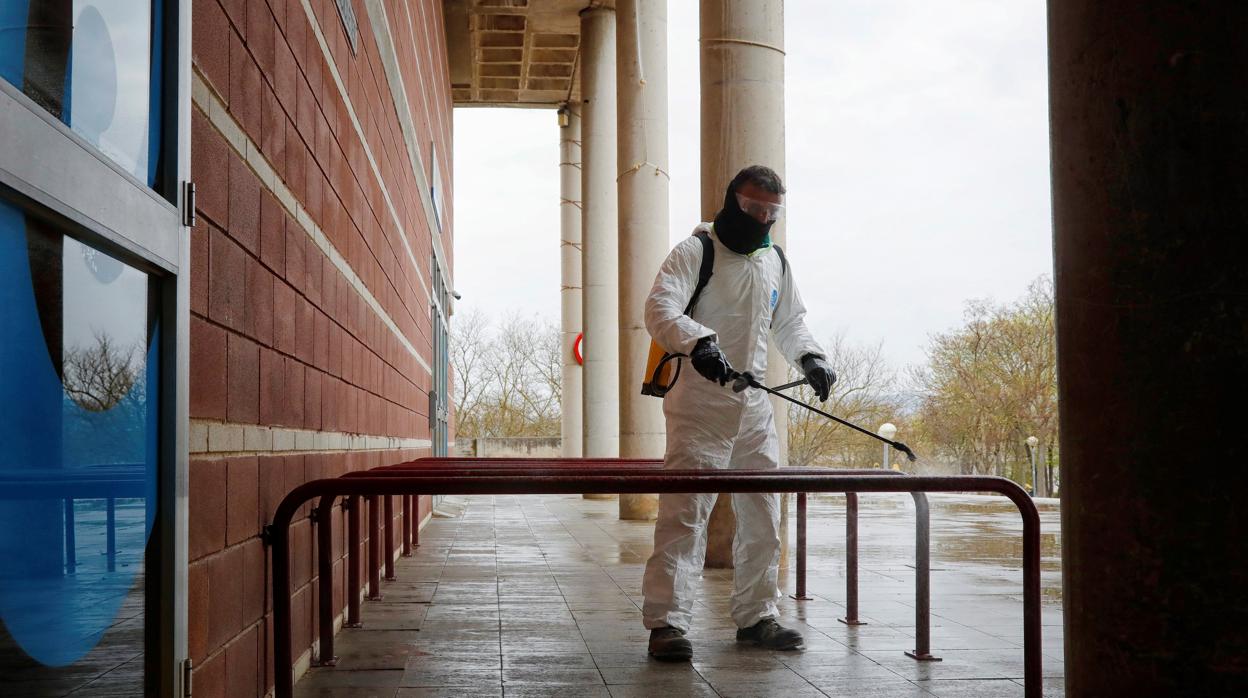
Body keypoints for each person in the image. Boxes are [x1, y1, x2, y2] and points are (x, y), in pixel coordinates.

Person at [640, 165, 837, 662]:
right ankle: (667, 623)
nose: (763, 219)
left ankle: (757, 616)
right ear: (733, 202)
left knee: (764, 515)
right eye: (754, 209)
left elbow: (790, 322)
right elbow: (660, 309)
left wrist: (811, 358)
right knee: (685, 517)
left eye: (773, 212)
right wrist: (699, 343)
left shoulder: (776, 261)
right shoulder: (696, 251)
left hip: (754, 406)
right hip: (700, 402)